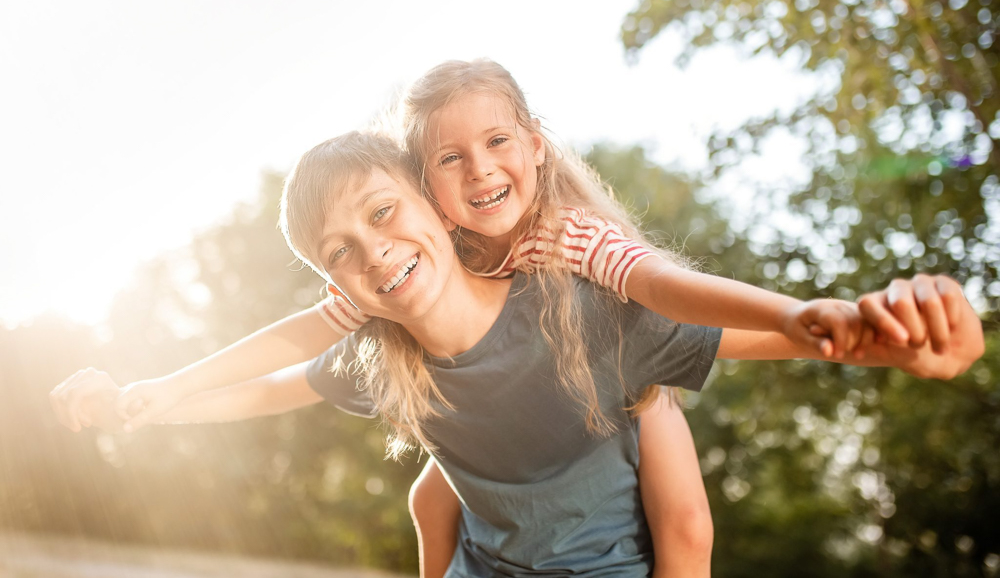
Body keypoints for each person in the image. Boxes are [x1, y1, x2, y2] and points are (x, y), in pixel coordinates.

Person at [51, 132, 984, 577]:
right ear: (335, 281)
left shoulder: (575, 311)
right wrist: (145, 398)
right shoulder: (387, 354)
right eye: (340, 249)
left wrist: (877, 338)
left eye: (383, 213)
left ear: (436, 206)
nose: (372, 249)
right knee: (433, 490)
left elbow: (752, 334)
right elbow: (269, 387)